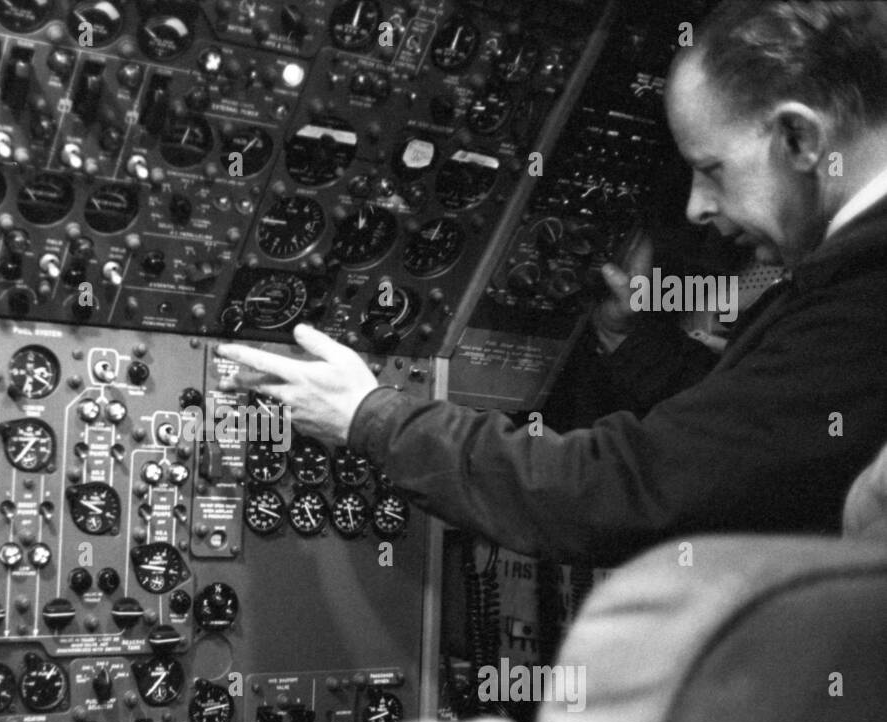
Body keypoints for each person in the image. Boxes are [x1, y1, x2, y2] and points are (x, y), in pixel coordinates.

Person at [218, 0, 887, 566]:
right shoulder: (847, 292)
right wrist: (631, 342)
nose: (696, 208)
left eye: (710, 169)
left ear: (801, 138)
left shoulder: (863, 298)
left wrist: (375, 418)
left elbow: (635, 492)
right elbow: (748, 444)